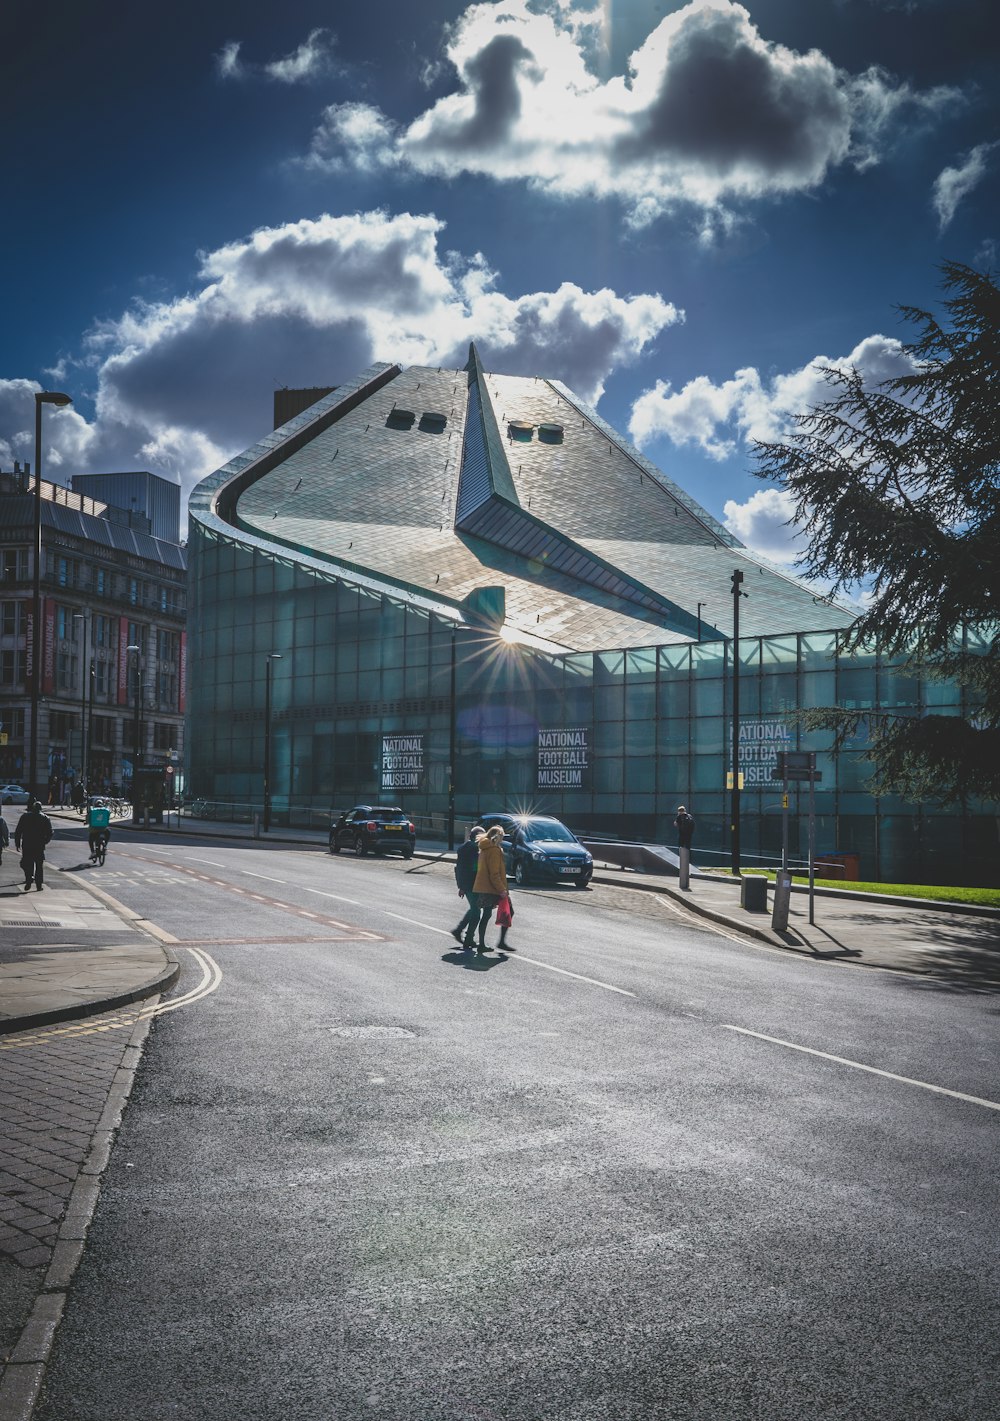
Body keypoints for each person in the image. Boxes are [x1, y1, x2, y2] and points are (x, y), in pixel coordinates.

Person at [470, 825, 510, 955]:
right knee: (487, 915)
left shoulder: (484, 848)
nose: (503, 839)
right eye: (502, 836)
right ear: (497, 837)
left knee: (486, 915)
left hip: (483, 886)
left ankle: (483, 942)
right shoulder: (494, 850)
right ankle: (484, 944)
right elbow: (494, 873)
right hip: (490, 888)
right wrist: (502, 889)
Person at [451, 825, 485, 950]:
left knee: (473, 909)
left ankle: (460, 930)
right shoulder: (474, 849)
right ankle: (468, 938)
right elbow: (475, 869)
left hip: (466, 884)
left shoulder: (464, 848)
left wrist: (461, 886)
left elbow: (458, 869)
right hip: (472, 884)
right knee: (476, 912)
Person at [15, 799, 53, 891]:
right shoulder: (45, 818)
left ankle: (29, 878)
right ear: (40, 809)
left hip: (27, 844)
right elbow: (50, 832)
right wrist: (45, 841)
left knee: (27, 863)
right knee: (39, 865)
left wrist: (17, 843)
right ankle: (39, 885)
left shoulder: (25, 816)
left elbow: (18, 831)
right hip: (39, 845)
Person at [86, 797, 111, 862]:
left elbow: (88, 819)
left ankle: (93, 852)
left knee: (90, 840)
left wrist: (86, 822)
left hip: (94, 829)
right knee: (108, 832)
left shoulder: (92, 810)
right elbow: (108, 818)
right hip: (104, 829)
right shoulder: (106, 810)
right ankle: (105, 847)